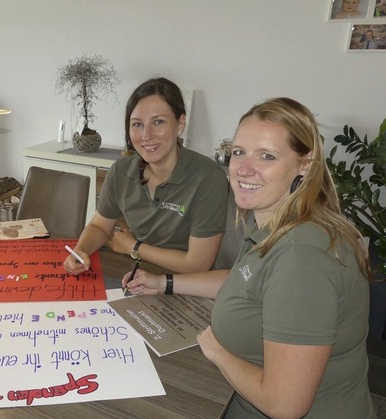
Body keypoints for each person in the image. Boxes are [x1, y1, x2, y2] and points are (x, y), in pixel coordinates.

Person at [124, 97, 376, 418]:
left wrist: (218, 352)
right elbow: (247, 281)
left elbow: (285, 405)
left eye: (266, 156)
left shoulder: (302, 256)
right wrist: (164, 282)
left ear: (305, 165)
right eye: (239, 152)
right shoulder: (272, 220)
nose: (243, 168)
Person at [63, 77, 228, 276]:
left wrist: (134, 247)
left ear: (180, 123)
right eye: (137, 124)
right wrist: (82, 250)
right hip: (132, 273)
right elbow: (99, 226)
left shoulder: (208, 177)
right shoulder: (121, 171)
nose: (146, 135)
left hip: (183, 284)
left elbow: (197, 264)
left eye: (158, 122)